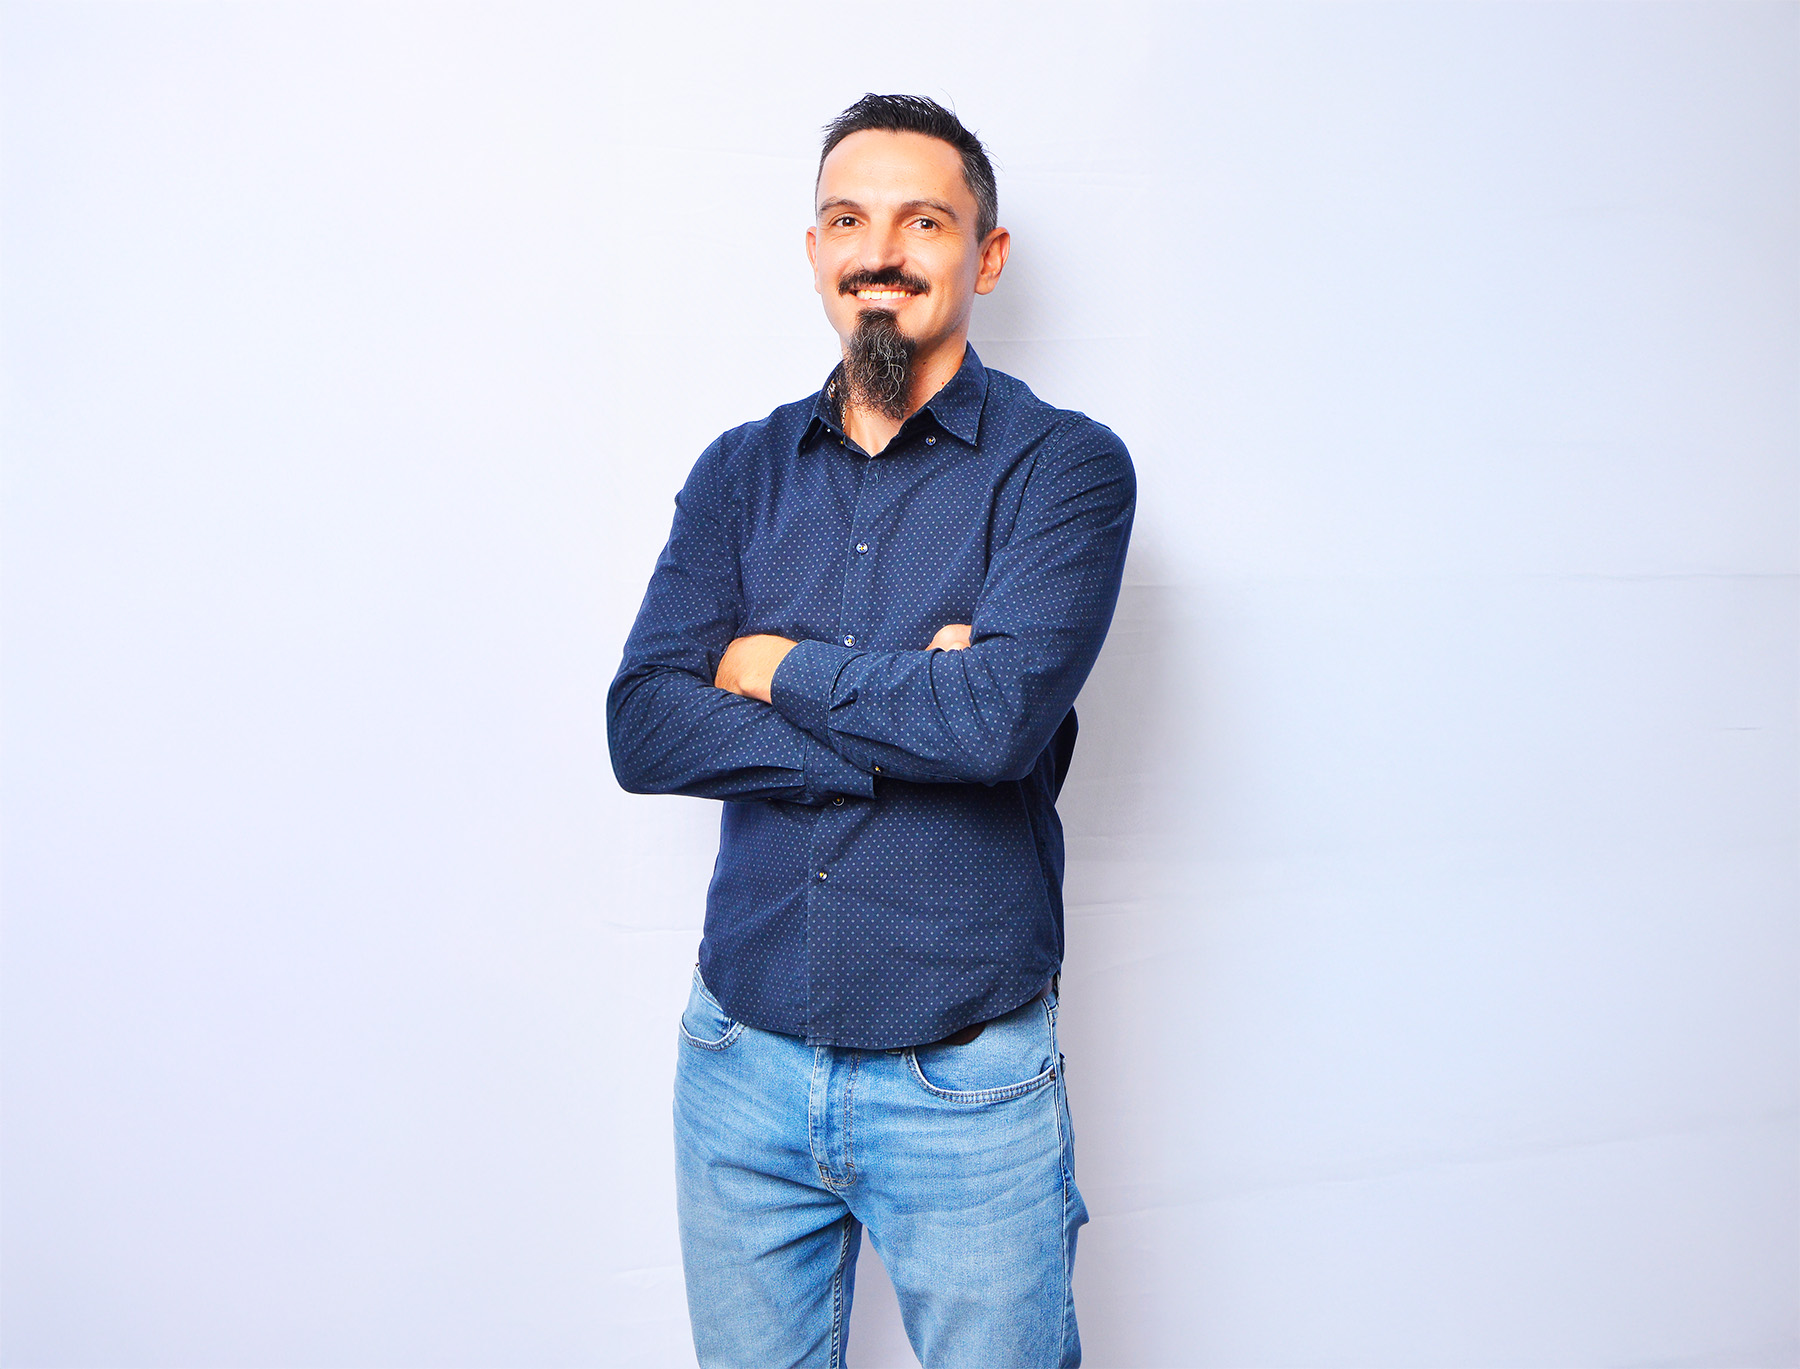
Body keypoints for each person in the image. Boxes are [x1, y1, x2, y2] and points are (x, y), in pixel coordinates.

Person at [607, 93, 1135, 1369]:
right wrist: (914, 714)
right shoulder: (739, 472)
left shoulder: (1064, 470)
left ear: (986, 257)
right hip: (738, 1062)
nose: (880, 252)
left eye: (923, 222)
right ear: (814, 253)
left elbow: (993, 726)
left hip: (966, 1082)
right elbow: (645, 726)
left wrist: (768, 665)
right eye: (848, 220)